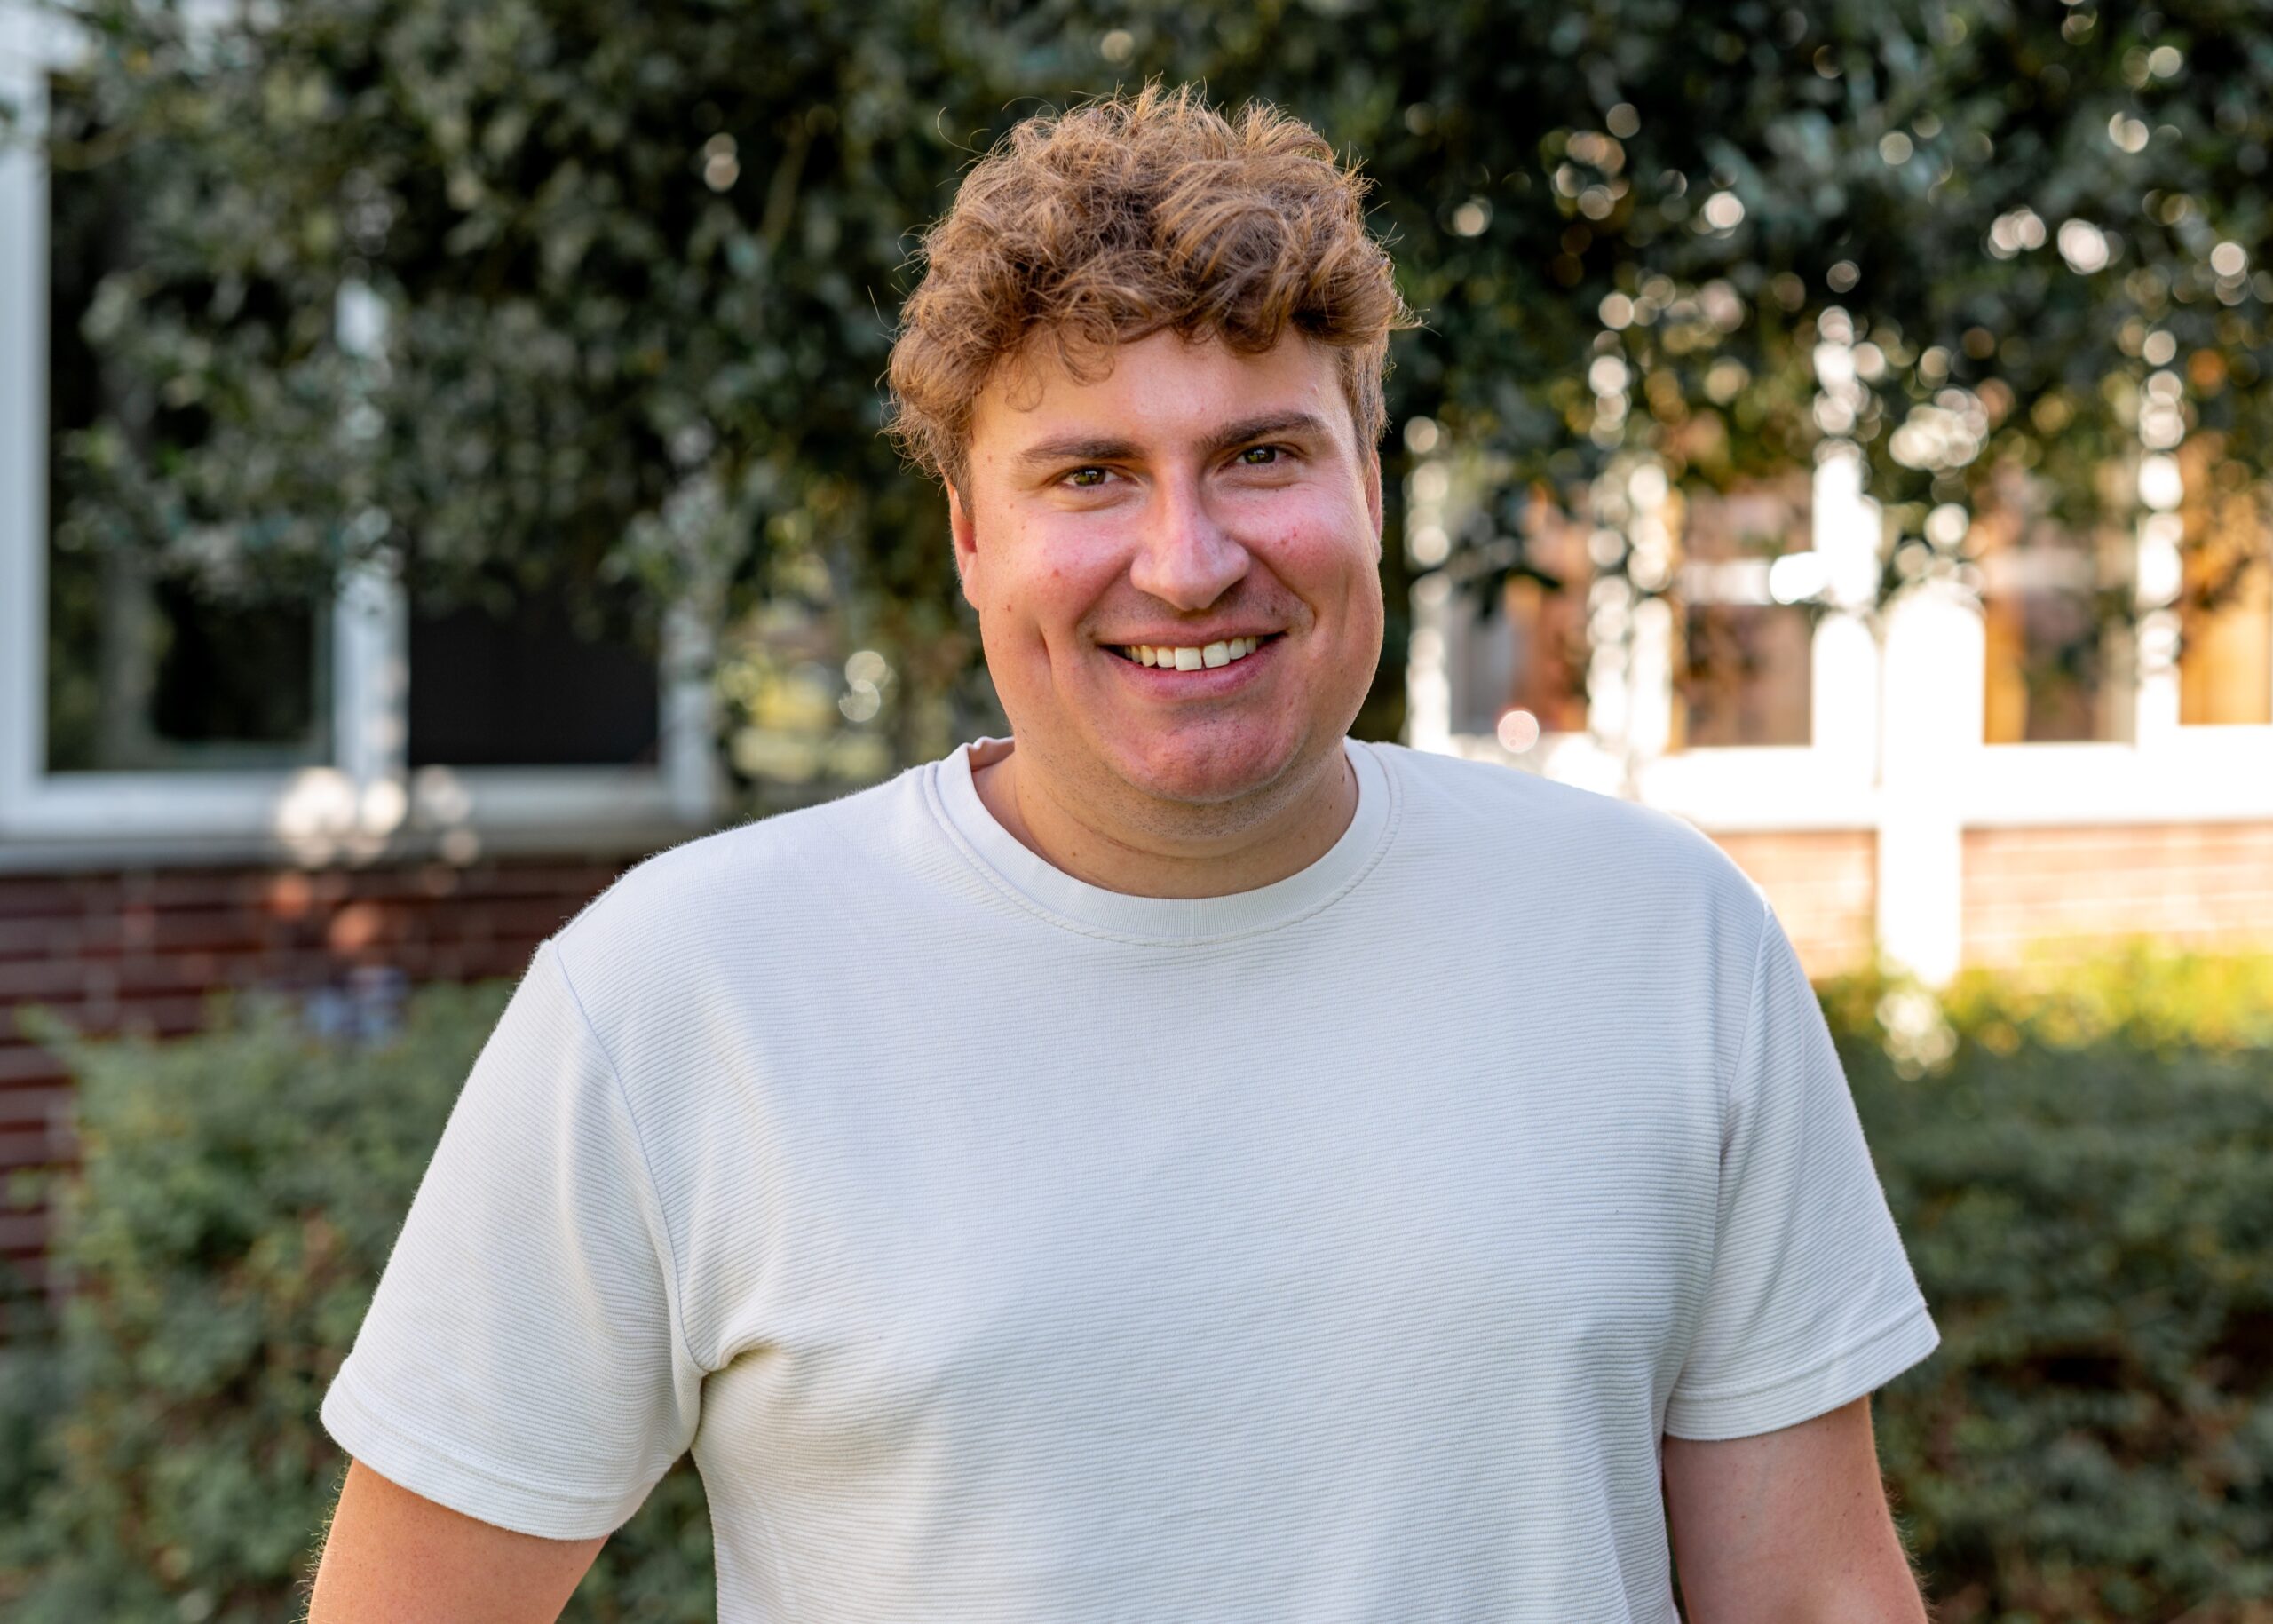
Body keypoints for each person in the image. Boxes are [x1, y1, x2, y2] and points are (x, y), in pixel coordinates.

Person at [310, 85, 1937, 1622]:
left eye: (1261, 455)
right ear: (971, 537)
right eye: (1090, 474)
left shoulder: (1663, 940)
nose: (1188, 561)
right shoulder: (682, 990)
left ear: (1371, 487)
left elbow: (1813, 1598)